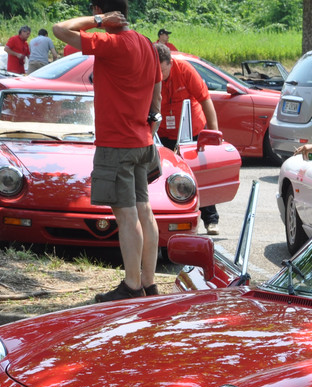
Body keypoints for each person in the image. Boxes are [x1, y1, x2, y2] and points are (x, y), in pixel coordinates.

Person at [54, 1, 163, 302]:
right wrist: (150, 122)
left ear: (103, 9)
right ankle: (149, 283)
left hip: (117, 144)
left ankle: (131, 286)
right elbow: (157, 90)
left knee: (126, 216)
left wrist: (96, 20)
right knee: (144, 211)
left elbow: (59, 29)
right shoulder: (145, 43)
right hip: (142, 141)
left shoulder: (111, 42)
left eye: (95, 9)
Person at [155, 43, 220, 235]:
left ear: (170, 63)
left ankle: (211, 219)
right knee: (164, 176)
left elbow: (205, 99)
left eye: (162, 71)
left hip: (191, 130)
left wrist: (213, 135)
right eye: (155, 71)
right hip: (163, 132)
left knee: (197, 174)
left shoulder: (185, 70)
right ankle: (172, 218)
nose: (158, 76)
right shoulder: (147, 73)